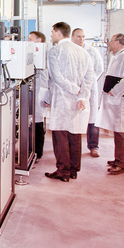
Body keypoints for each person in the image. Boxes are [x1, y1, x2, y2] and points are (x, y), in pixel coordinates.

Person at [44, 22, 93, 182]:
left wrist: (74, 89)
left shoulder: (55, 51)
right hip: (77, 99)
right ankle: (73, 169)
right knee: (74, 133)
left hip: (62, 96)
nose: (51, 35)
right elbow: (89, 76)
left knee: (60, 135)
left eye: (52, 32)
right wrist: (82, 95)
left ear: (58, 33)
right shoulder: (82, 51)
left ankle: (63, 171)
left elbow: (56, 77)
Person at [95, 34, 124, 175]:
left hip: (123, 101)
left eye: (111, 41)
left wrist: (114, 91)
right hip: (118, 101)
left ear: (118, 42)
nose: (109, 43)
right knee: (121, 131)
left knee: (121, 132)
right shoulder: (118, 56)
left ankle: (121, 162)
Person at [71, 28, 104, 157]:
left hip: (90, 88)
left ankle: (93, 146)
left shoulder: (92, 51)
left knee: (92, 118)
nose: (81, 39)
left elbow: (99, 69)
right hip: (74, 89)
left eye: (83, 37)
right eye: (78, 36)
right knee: (73, 117)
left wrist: (87, 83)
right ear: (72, 37)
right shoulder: (70, 51)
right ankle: (73, 146)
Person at [29, 31, 49, 162]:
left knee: (38, 122)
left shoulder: (44, 54)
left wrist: (47, 97)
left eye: (31, 39)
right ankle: (32, 149)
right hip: (34, 90)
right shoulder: (34, 53)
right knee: (33, 121)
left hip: (40, 90)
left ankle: (38, 152)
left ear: (39, 40)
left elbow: (47, 77)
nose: (28, 41)